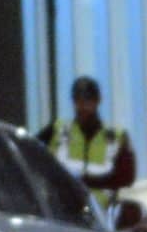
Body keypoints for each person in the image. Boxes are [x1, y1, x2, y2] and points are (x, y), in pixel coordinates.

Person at [39, 75, 137, 207]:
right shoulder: (58, 130)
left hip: (100, 213)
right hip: (61, 208)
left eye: (87, 101)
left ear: (98, 101)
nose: (82, 107)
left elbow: (127, 178)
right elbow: (31, 153)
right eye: (77, 101)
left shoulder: (116, 137)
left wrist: (86, 182)